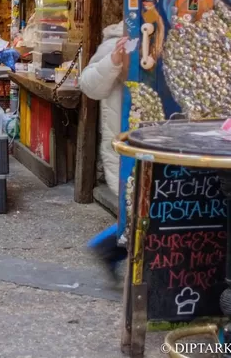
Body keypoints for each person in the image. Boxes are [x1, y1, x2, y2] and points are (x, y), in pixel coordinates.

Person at [78, 21, 128, 279]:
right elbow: (88, 84)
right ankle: (109, 246)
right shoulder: (118, 40)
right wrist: (113, 61)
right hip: (126, 144)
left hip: (163, 140)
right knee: (144, 209)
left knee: (147, 210)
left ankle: (109, 246)